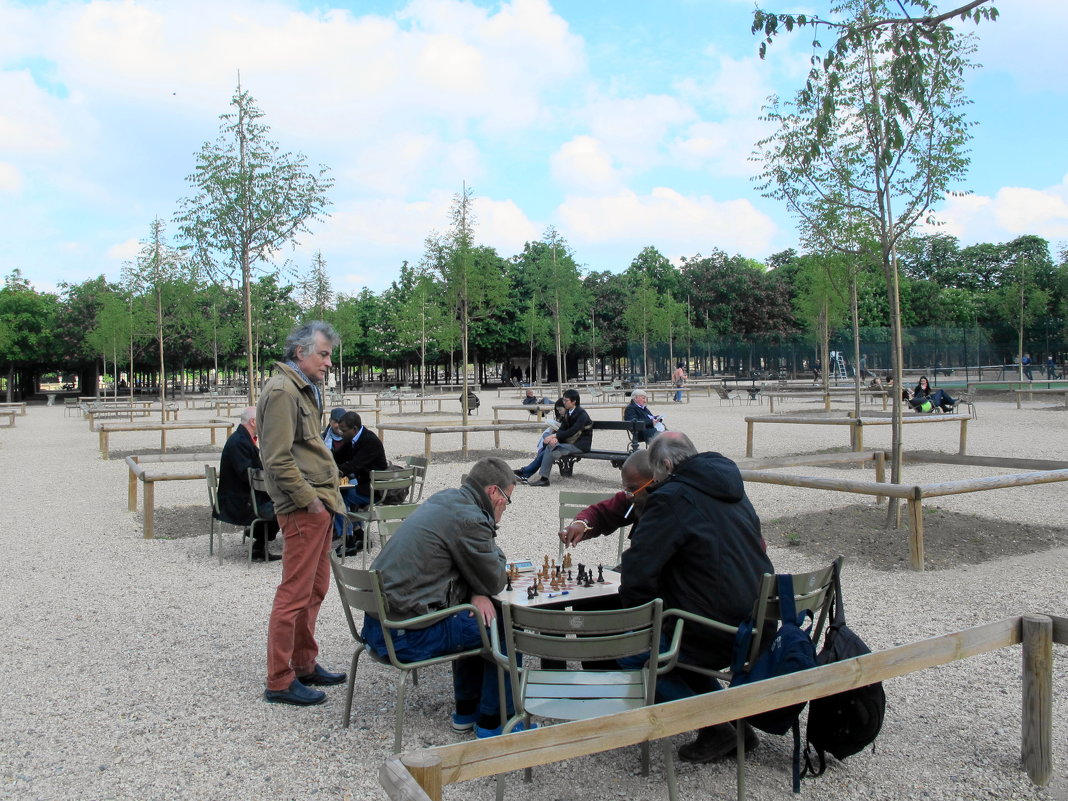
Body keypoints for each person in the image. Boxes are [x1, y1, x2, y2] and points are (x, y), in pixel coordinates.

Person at [620, 432, 773, 763]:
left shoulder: (672, 496)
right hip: (757, 618)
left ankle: (714, 727)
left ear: (667, 464)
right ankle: (734, 724)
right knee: (674, 631)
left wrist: (637, 614)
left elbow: (638, 571)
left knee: (634, 648)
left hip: (719, 628)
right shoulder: (730, 485)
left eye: (657, 476)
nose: (657, 483)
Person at [362, 457, 528, 738]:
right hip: (404, 638)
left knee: (476, 617)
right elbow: (495, 578)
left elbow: (472, 572)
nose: (505, 508)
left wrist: (476, 591)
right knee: (504, 626)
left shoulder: (446, 499)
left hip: (378, 627)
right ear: (493, 493)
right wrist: (491, 550)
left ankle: (467, 711)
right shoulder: (471, 518)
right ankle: (497, 722)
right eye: (507, 501)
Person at [257, 320, 347, 707]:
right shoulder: (282, 391)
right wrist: (308, 499)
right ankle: (279, 680)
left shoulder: (303, 389)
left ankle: (305, 663)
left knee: (314, 589)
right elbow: (276, 459)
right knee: (294, 593)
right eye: (323, 354)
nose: (329, 363)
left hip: (319, 504)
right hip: (303, 507)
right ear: (300, 353)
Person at [216, 406, 280, 562]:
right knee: (284, 504)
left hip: (240, 496)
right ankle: (259, 541)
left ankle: (258, 536)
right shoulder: (240, 442)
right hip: (239, 501)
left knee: (279, 500)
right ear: (253, 421)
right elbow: (249, 475)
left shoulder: (241, 438)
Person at [558, 450, 655, 550]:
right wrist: (580, 525)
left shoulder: (668, 509)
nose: (628, 496)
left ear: (654, 480)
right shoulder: (636, 498)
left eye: (633, 488)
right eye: (627, 489)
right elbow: (600, 514)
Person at [333, 411, 389, 555]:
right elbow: (337, 457)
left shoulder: (370, 441)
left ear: (355, 429)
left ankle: (348, 539)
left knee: (338, 497)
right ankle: (358, 534)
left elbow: (352, 466)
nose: (340, 433)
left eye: (343, 430)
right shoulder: (352, 439)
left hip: (377, 489)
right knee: (343, 494)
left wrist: (331, 472)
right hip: (365, 485)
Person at [524, 389, 592, 487]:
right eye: (563, 400)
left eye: (566, 401)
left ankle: (541, 477)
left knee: (551, 448)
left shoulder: (582, 414)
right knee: (551, 445)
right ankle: (541, 478)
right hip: (570, 442)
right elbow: (563, 428)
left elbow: (573, 430)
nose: (564, 403)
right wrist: (556, 438)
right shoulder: (569, 412)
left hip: (580, 445)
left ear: (574, 401)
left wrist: (554, 436)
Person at [513, 398, 566, 482]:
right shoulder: (562, 417)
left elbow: (570, 433)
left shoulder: (571, 417)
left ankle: (525, 472)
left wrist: (554, 437)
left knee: (546, 451)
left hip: (566, 444)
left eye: (560, 409)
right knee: (546, 448)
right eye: (557, 410)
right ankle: (525, 473)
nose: (559, 412)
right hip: (557, 441)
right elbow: (550, 432)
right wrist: (551, 437)